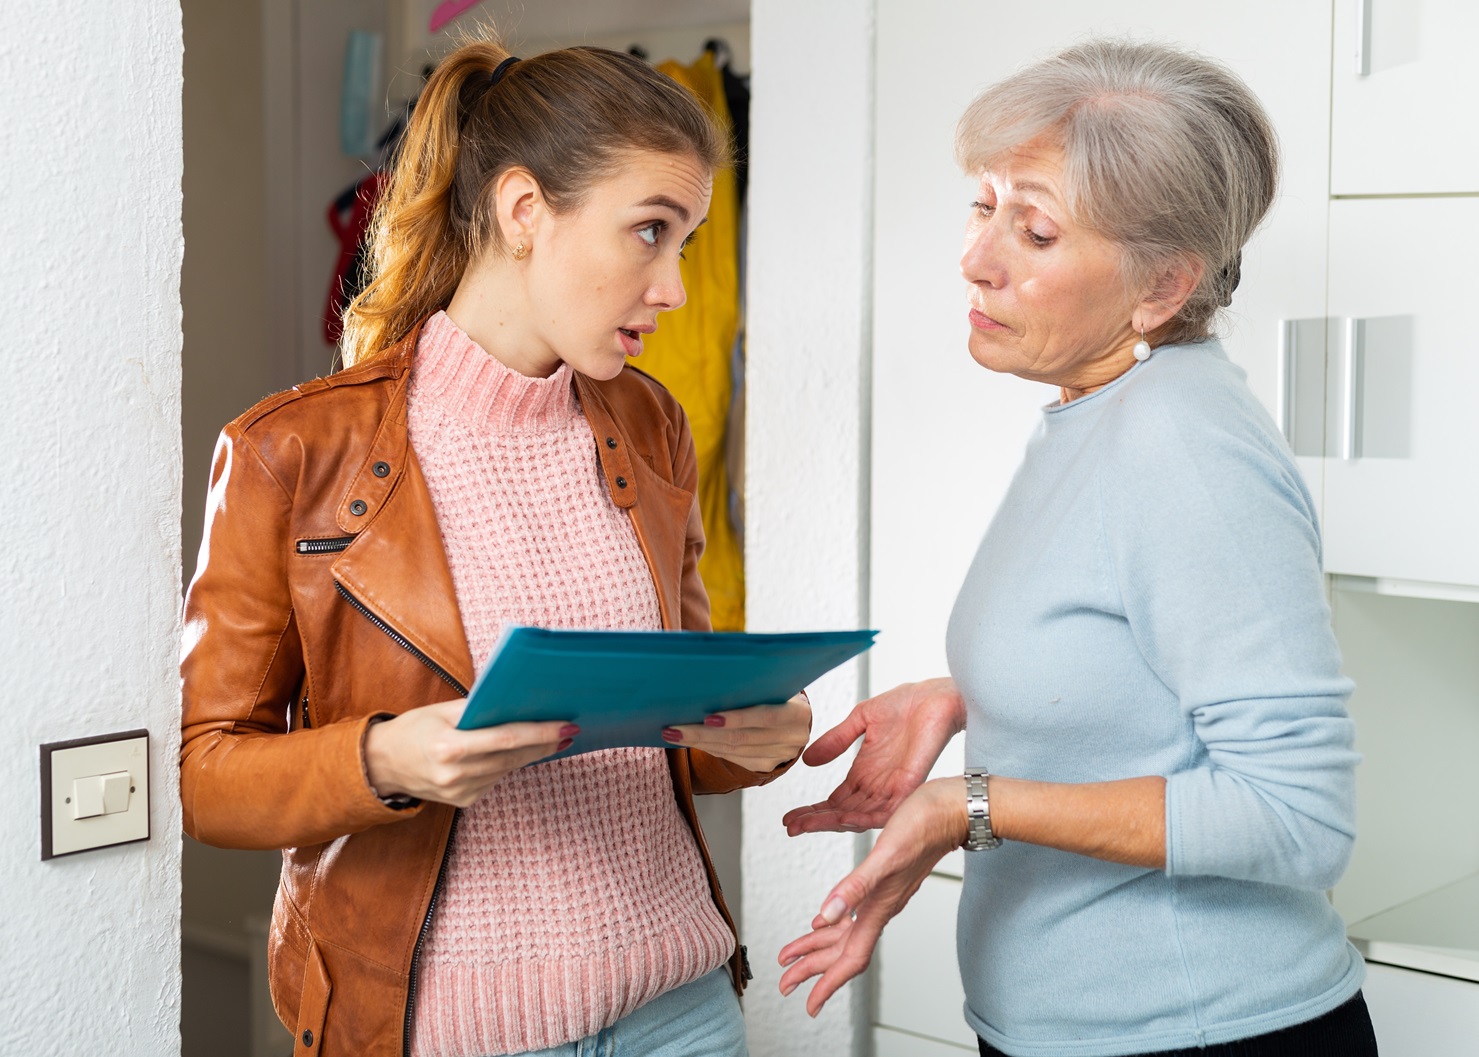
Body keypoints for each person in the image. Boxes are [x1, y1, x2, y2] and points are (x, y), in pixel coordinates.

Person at [179, 35, 811, 1057]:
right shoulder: (289, 452)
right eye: (649, 232)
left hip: (681, 1008)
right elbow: (207, 775)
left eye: (686, 241)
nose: (675, 289)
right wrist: (386, 756)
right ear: (524, 212)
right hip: (452, 1032)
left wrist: (754, 742)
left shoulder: (649, 425)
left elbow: (680, 727)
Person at [777, 40, 1378, 1057]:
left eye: (1038, 230)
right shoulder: (1099, 408)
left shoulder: (1182, 448)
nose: (978, 257)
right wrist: (974, 694)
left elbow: (1299, 815)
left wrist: (968, 805)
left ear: (1162, 286)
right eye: (985, 206)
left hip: (1202, 1036)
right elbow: (1138, 659)